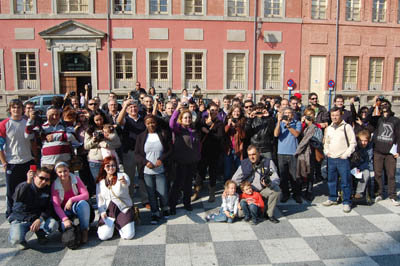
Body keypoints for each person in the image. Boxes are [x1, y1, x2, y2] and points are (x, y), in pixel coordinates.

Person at [8, 167, 58, 249]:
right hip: (21, 219)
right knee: (16, 239)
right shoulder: (23, 186)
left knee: (53, 225)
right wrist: (28, 182)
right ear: (34, 176)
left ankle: (41, 233)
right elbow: (18, 197)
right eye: (41, 178)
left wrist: (40, 219)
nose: (43, 181)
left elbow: (49, 208)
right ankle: (20, 239)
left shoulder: (47, 189)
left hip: (36, 219)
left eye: (46, 179)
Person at [135, 115, 173, 224]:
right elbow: (137, 154)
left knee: (163, 192)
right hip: (147, 171)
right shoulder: (141, 137)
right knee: (150, 193)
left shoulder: (162, 134)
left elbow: (170, 150)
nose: (151, 125)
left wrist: (161, 159)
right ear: (145, 124)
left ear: (156, 123)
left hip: (160, 169)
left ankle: (165, 208)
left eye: (153, 122)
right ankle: (154, 212)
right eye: (148, 123)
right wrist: (145, 162)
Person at [0, 99, 35, 218]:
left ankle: (27, 210)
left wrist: (35, 158)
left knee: (28, 187)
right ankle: (10, 213)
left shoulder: (28, 122)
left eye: (18, 107)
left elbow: (33, 141)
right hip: (12, 162)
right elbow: (0, 146)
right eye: (14, 107)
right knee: (11, 191)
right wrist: (4, 162)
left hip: (27, 160)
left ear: (22, 109)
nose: (16, 110)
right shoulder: (4, 124)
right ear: (10, 109)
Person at [232, 145, 281, 223]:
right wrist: (228, 190)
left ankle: (269, 214)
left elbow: (276, 178)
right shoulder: (244, 163)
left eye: (254, 154)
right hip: (248, 193)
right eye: (249, 155)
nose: (252, 157)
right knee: (239, 214)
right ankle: (256, 210)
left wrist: (269, 184)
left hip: (262, 191)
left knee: (276, 190)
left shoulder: (268, 162)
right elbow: (234, 180)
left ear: (259, 153)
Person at [323, 107, 356, 213]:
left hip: (343, 159)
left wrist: (346, 154)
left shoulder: (347, 127)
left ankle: (346, 202)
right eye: (332, 115)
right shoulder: (329, 128)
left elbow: (353, 143)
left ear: (340, 115)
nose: (334, 117)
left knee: (345, 181)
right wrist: (326, 151)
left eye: (336, 115)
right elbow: (326, 142)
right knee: (331, 180)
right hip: (331, 158)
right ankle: (333, 198)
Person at [116, 99, 149, 207]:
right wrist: (124, 106)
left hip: (142, 152)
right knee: (128, 177)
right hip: (129, 152)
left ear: (138, 108)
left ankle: (145, 199)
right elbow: (118, 122)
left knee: (142, 176)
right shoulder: (125, 119)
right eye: (130, 107)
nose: (133, 109)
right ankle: (129, 200)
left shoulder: (143, 119)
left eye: (134, 107)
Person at [169, 104, 201, 214]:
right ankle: (172, 205)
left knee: (188, 184)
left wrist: (197, 157)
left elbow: (197, 146)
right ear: (181, 119)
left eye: (189, 117)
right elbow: (171, 123)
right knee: (178, 184)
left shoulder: (193, 130)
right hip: (180, 162)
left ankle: (187, 203)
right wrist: (177, 109)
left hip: (191, 162)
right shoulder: (178, 129)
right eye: (185, 117)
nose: (187, 119)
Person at [368, 98, 400, 205]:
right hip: (378, 151)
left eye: (386, 104)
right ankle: (379, 194)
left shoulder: (395, 120)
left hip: (391, 152)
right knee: (378, 174)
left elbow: (399, 136)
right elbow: (367, 118)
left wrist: (398, 151)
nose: (384, 106)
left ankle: (392, 195)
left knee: (391, 174)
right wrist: (374, 106)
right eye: (382, 105)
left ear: (390, 106)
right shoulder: (377, 119)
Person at [96, 156, 135, 240]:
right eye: (108, 166)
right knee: (103, 236)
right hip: (108, 210)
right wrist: (102, 211)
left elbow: (127, 182)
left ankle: (124, 222)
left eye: (113, 165)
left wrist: (125, 182)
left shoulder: (121, 176)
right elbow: (99, 199)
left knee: (128, 235)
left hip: (122, 209)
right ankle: (114, 226)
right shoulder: (101, 181)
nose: (111, 168)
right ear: (104, 167)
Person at [51, 162, 90, 244]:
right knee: (65, 228)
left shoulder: (75, 179)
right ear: (56, 173)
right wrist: (65, 219)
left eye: (65, 171)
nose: (63, 174)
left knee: (83, 204)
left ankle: (84, 230)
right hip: (63, 209)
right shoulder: (55, 184)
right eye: (60, 172)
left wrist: (71, 199)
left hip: (75, 205)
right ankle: (74, 230)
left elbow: (86, 195)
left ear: (69, 170)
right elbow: (56, 206)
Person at [197, 102, 225, 202]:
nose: (214, 112)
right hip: (203, 151)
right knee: (200, 172)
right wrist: (201, 115)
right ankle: (196, 192)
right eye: (212, 110)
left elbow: (220, 137)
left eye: (216, 110)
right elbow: (196, 126)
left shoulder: (219, 123)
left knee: (213, 173)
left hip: (214, 152)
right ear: (208, 110)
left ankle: (212, 193)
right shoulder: (202, 120)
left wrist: (209, 131)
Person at [274, 107, 302, 203]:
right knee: (283, 175)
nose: (288, 115)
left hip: (293, 152)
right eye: (285, 113)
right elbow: (276, 134)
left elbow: (297, 134)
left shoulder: (297, 123)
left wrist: (289, 126)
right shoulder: (280, 123)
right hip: (281, 152)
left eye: (289, 113)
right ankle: (285, 194)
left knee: (294, 175)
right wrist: (279, 122)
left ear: (293, 114)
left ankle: (296, 194)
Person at [84, 110, 121, 181]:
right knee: (99, 184)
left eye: (100, 119)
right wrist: (94, 140)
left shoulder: (110, 128)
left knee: (113, 182)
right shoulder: (89, 130)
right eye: (96, 120)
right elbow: (86, 146)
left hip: (110, 161)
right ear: (93, 120)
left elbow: (117, 143)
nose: (99, 122)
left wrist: (106, 143)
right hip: (96, 161)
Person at [295, 108, 322, 201]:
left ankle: (309, 191)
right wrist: (302, 123)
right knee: (301, 171)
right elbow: (298, 135)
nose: (309, 117)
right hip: (302, 152)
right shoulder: (302, 126)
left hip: (312, 151)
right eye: (307, 115)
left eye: (311, 115)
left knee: (310, 172)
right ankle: (300, 190)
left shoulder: (316, 127)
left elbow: (318, 140)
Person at [223, 106, 246, 181]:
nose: (236, 113)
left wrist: (236, 125)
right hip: (228, 149)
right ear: (231, 112)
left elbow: (243, 136)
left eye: (238, 111)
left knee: (239, 170)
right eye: (234, 111)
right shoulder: (226, 120)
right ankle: (227, 187)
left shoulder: (242, 121)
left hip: (238, 149)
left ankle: (238, 187)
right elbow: (224, 133)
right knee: (227, 171)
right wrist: (228, 125)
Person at [351, 130, 374, 202]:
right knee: (351, 173)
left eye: (365, 141)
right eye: (361, 140)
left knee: (366, 173)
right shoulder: (355, 147)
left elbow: (368, 161)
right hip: (353, 167)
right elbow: (351, 160)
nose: (363, 143)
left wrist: (360, 168)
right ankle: (350, 192)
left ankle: (359, 192)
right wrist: (356, 168)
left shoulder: (369, 148)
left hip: (364, 167)